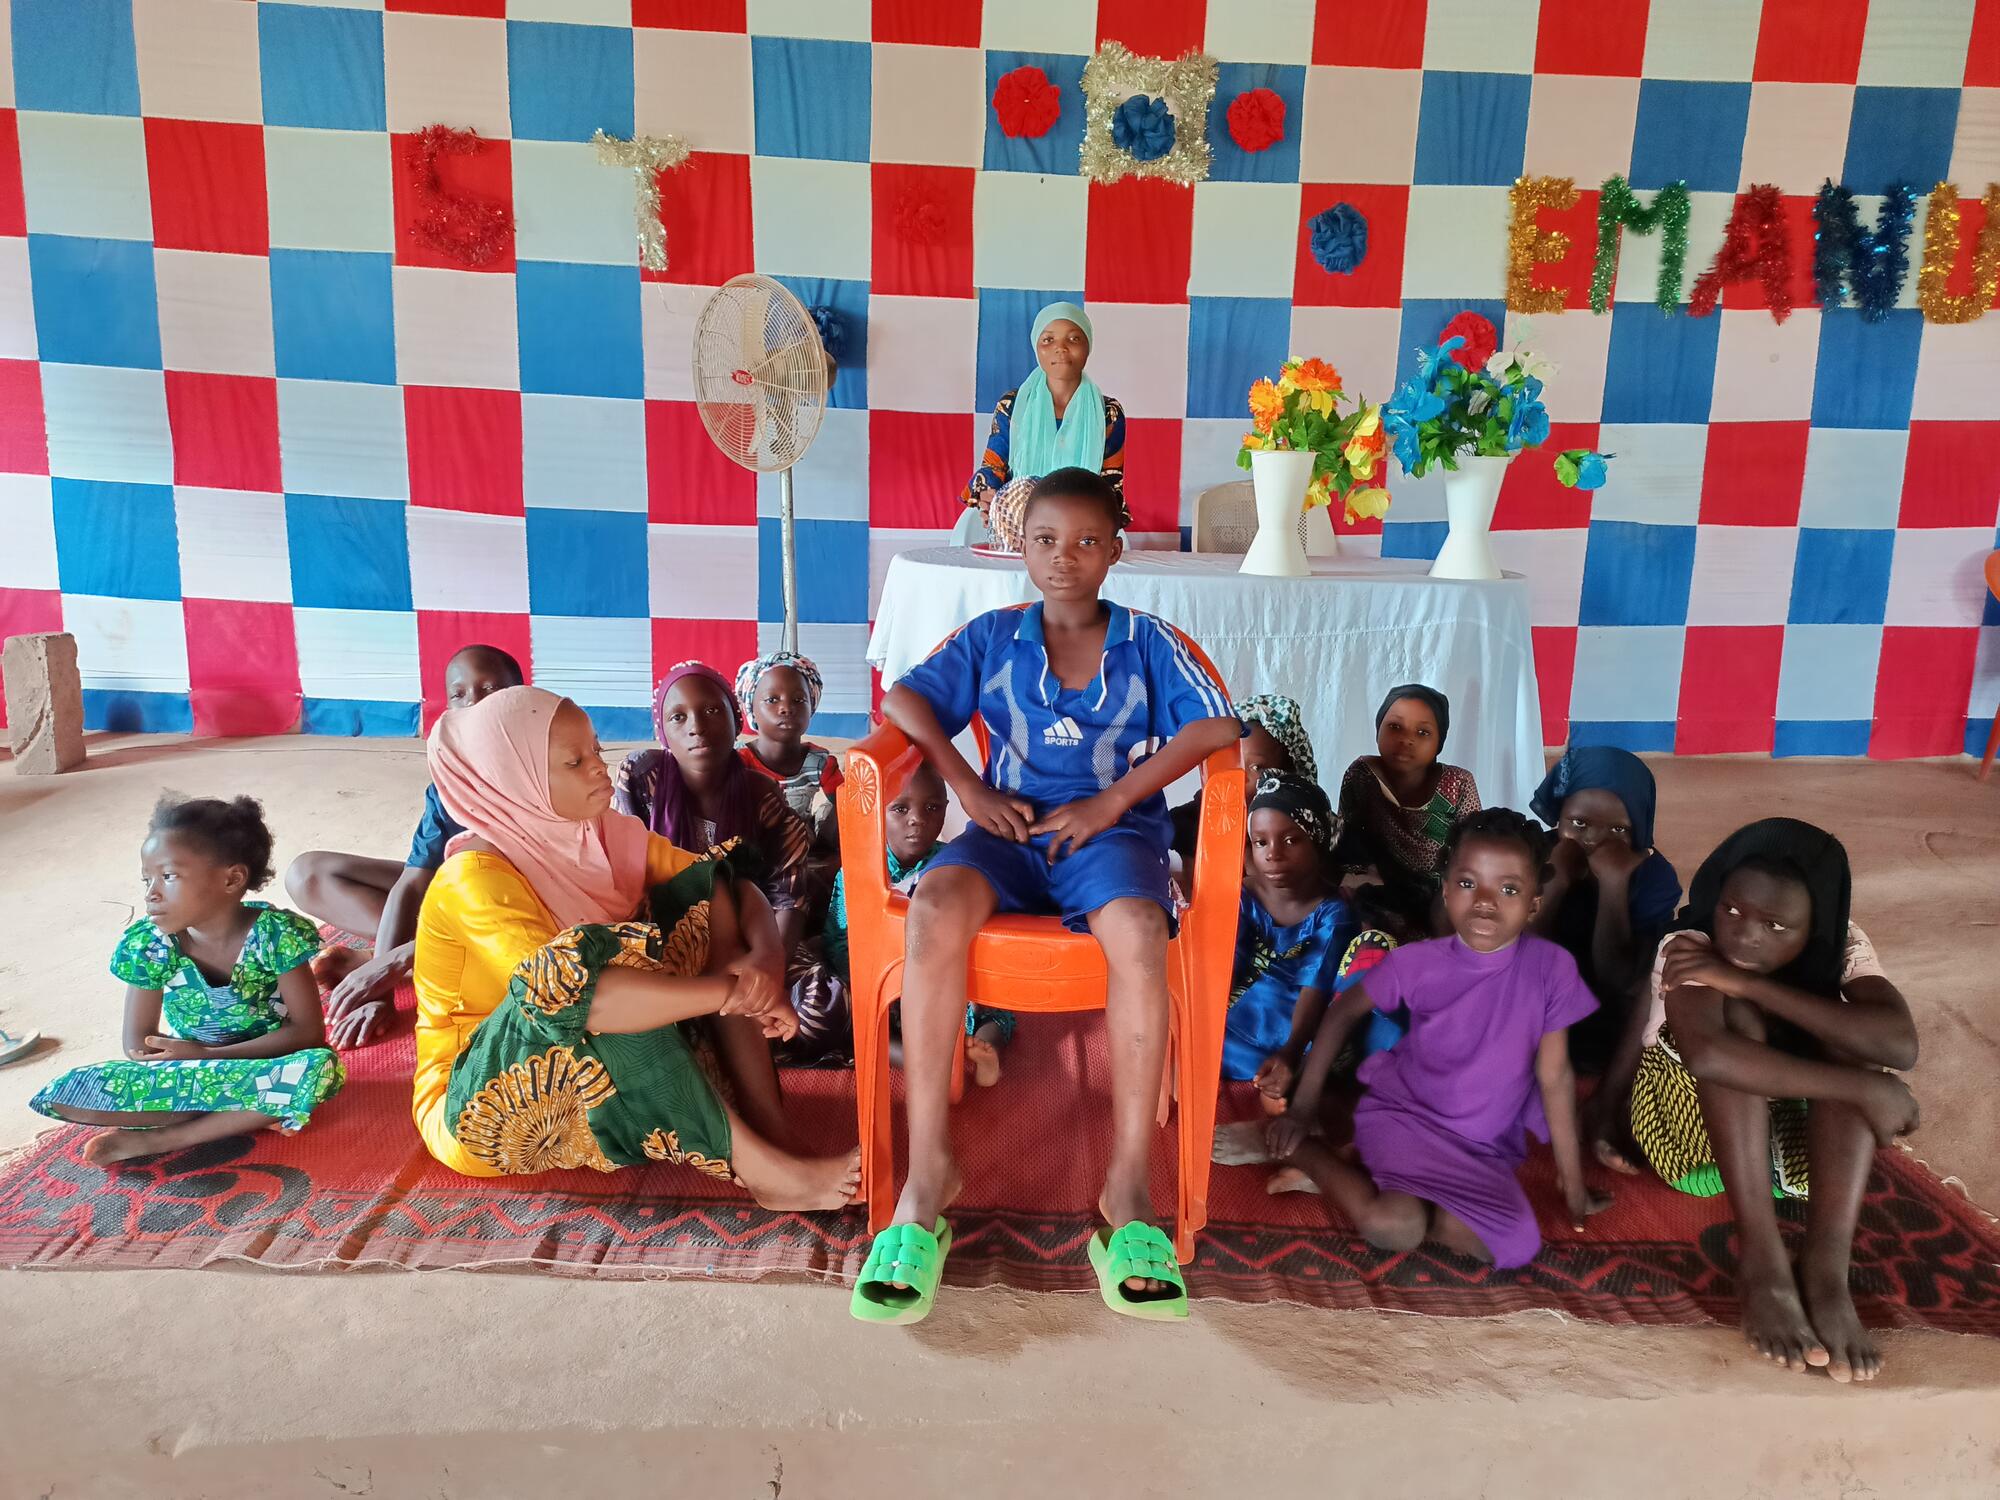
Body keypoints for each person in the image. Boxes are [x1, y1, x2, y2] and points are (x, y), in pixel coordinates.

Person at [849, 467, 1240, 1324]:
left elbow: (1217, 727)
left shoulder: (1150, 642)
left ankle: (1127, 1192)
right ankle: (927, 1181)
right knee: (935, 907)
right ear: (1020, 549)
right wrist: (964, 782)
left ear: (1116, 551)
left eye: (1087, 542)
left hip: (1110, 839)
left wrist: (1113, 800)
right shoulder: (994, 636)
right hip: (1007, 837)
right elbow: (904, 698)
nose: (1066, 559)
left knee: (1140, 929)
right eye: (1046, 541)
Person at [411, 685, 860, 1208]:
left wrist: (765, 962)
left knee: (701, 893)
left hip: (597, 1052)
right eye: (574, 762)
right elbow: (571, 996)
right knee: (588, 974)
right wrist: (729, 993)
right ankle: (762, 1172)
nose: (600, 769)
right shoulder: (473, 877)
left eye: (596, 751)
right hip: (482, 1098)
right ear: (516, 782)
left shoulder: (603, 833)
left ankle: (771, 1126)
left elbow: (723, 880)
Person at [1619, 819, 1919, 1383]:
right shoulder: (1690, 944)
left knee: (1852, 1037)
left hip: (1798, 1150)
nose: (1745, 935)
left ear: (1816, 927)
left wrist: (1750, 982)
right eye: (1732, 910)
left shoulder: (1843, 940)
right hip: (1693, 1139)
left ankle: (1827, 1271)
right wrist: (1863, 1088)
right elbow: (1707, 1055)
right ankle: (1763, 1261)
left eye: (1777, 925)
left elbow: (1898, 1044)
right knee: (1739, 1023)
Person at [1268, 809, 1609, 1269]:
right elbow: (1343, 1012)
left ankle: (1399, 1187)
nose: (1486, 902)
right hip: (1406, 1119)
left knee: (1511, 1247)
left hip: (1481, 1145)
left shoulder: (1552, 969)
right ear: (1447, 890)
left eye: (1508, 889)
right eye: (1469, 884)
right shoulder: (1420, 962)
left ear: (1533, 903)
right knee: (1395, 1227)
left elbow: (1555, 1076)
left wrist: (1572, 1182)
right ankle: (1312, 1157)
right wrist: (1304, 1108)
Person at [31, 796, 344, 1165]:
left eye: (168, 876)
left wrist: (210, 1054)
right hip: (195, 1073)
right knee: (71, 1089)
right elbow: (138, 1045)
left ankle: (163, 1138)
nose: (151, 893)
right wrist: (191, 1061)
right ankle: (249, 1112)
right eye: (147, 879)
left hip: (269, 1061)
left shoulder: (276, 935)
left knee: (321, 1067)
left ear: (232, 878)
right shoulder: (151, 944)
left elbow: (309, 1032)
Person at [285, 644, 524, 1047]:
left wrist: (392, 963)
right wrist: (376, 993)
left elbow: (529, 907)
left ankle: (411, 959)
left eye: (491, 689)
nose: (475, 703)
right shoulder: (450, 781)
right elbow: (413, 883)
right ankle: (421, 957)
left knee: (512, 955)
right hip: (457, 903)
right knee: (307, 875)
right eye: (459, 694)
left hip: (518, 915)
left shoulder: (546, 770)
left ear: (521, 696)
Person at [795, 758, 1016, 1083]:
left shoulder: (953, 865)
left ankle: (986, 1049)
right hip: (883, 983)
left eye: (932, 808)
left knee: (997, 1009)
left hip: (945, 980)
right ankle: (919, 1062)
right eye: (900, 809)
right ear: (879, 812)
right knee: (857, 1022)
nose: (917, 820)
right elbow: (841, 941)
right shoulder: (860, 871)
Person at [614, 662, 814, 959]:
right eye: (678, 717)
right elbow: (623, 872)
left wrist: (768, 970)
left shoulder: (762, 796)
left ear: (736, 720)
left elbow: (788, 898)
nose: (696, 727)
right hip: (659, 940)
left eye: (711, 711)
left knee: (817, 1001)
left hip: (751, 942)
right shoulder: (643, 777)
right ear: (663, 732)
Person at [1529, 746, 1682, 1067]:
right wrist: (1554, 883)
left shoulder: (1653, 876)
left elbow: (1619, 980)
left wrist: (1614, 884)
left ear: (1639, 827)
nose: (1595, 840)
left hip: (1611, 1017)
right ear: (1559, 819)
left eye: (1618, 830)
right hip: (1533, 1006)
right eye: (1579, 823)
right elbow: (1515, 958)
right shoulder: (1532, 853)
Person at [1225, 770, 1356, 1107]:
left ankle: (1286, 1080)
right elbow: (1225, 968)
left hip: (1296, 1027)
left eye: (1290, 840)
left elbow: (1316, 985)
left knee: (1324, 1058)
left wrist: (1291, 1051)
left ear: (1317, 840)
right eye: (1261, 842)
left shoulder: (1331, 913)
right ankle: (1274, 1082)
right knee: (1189, 1039)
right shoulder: (1244, 897)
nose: (1273, 854)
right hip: (1237, 1017)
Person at [961, 302, 1127, 532]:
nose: (1061, 348)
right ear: (1036, 348)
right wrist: (989, 496)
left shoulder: (1108, 412)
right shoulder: (1012, 405)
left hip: (1081, 529)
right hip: (1018, 527)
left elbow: (1110, 482)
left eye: (1074, 339)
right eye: (1048, 340)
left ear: (1089, 347)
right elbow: (993, 467)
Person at [1333, 684, 1480, 940]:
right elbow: (1349, 839)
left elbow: (1474, 849)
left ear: (1439, 742)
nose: (1406, 739)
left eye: (1423, 732)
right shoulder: (1362, 775)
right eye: (1395, 727)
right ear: (1378, 728)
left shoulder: (1458, 783)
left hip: (1442, 892)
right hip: (1383, 886)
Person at [1170, 692, 1317, 868]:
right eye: (1230, 764)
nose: (1239, 776)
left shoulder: (1300, 823)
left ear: (1287, 775)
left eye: (1256, 767)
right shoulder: (1194, 818)